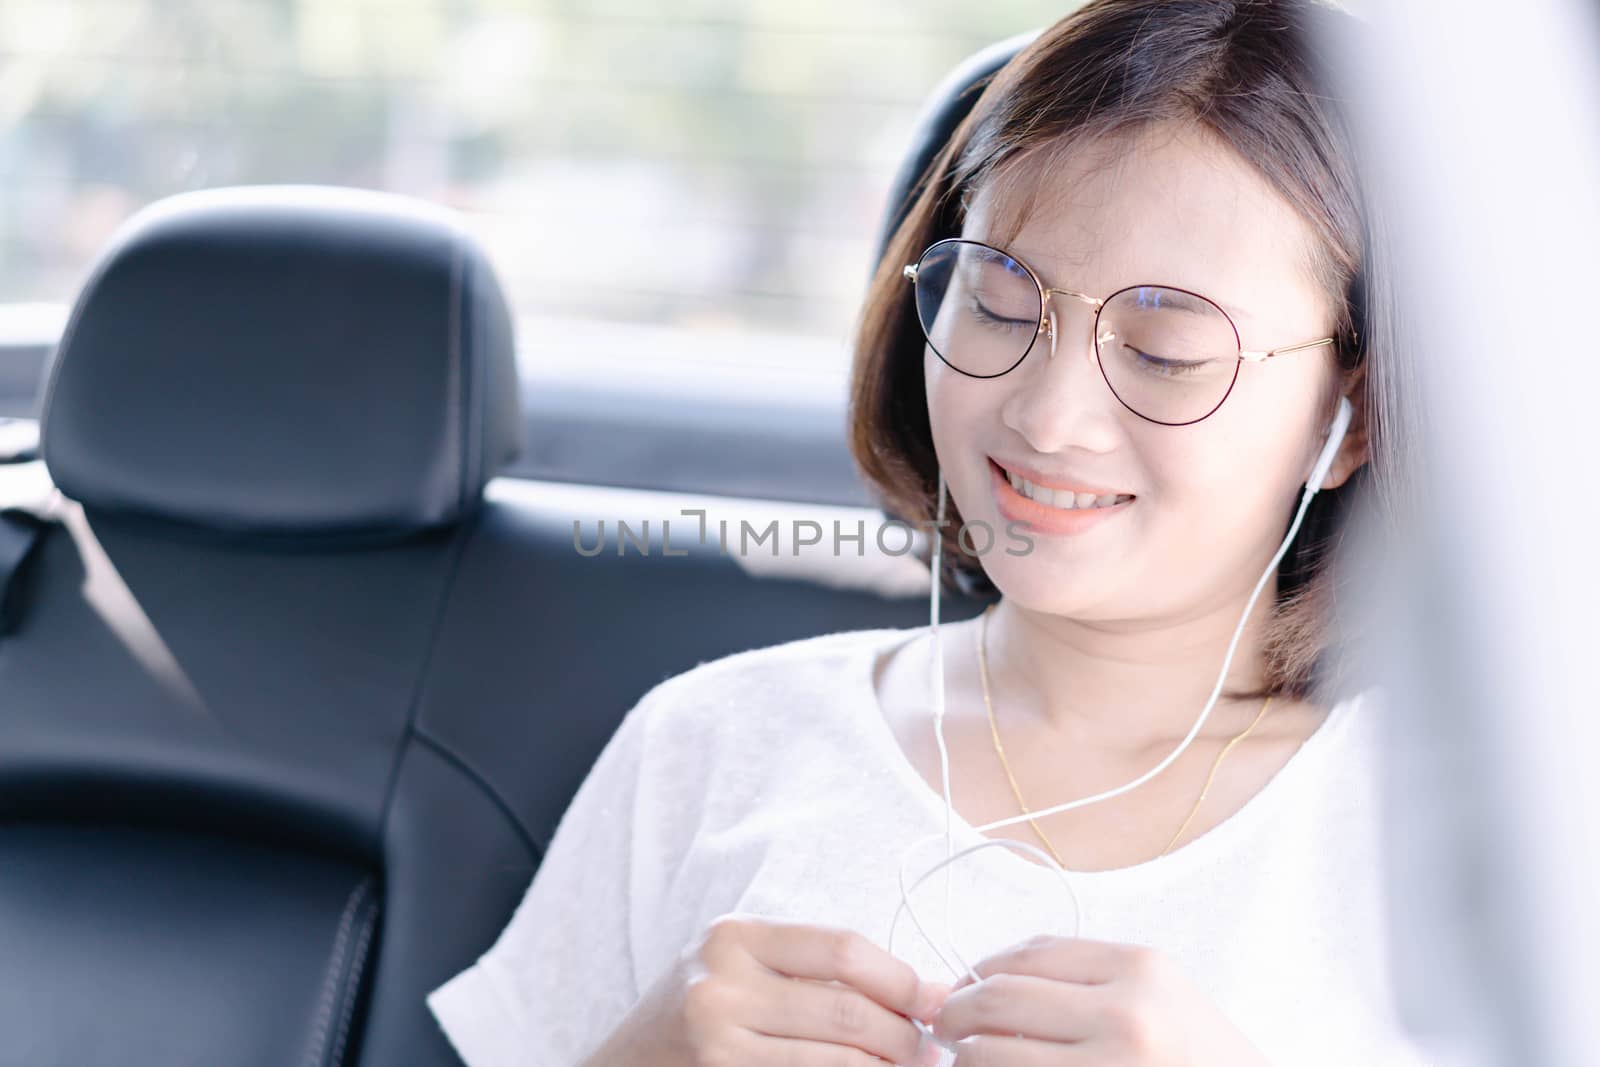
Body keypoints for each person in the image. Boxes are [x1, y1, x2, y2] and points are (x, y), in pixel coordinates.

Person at [427, 1, 1434, 1064]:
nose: (1048, 416)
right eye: (999, 303)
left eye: (1165, 351)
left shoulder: (1455, 839)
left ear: (1349, 417)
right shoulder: (713, 742)